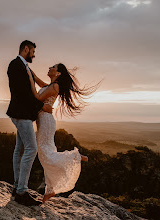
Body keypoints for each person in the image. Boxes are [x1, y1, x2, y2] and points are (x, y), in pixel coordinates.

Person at [26, 63, 101, 203]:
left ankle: (75, 156)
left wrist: (29, 83)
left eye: (53, 67)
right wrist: (29, 71)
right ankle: (50, 190)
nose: (49, 67)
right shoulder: (49, 85)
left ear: (58, 73)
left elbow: (36, 97)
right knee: (46, 154)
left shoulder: (54, 87)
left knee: (45, 155)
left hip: (46, 121)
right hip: (44, 120)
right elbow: (37, 80)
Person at [6, 40, 53, 206]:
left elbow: (36, 82)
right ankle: (21, 191)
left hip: (22, 113)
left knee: (20, 149)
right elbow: (23, 93)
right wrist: (43, 106)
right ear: (26, 49)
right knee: (31, 148)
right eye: (33, 51)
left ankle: (17, 186)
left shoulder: (23, 65)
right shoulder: (16, 65)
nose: (34, 55)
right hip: (21, 113)